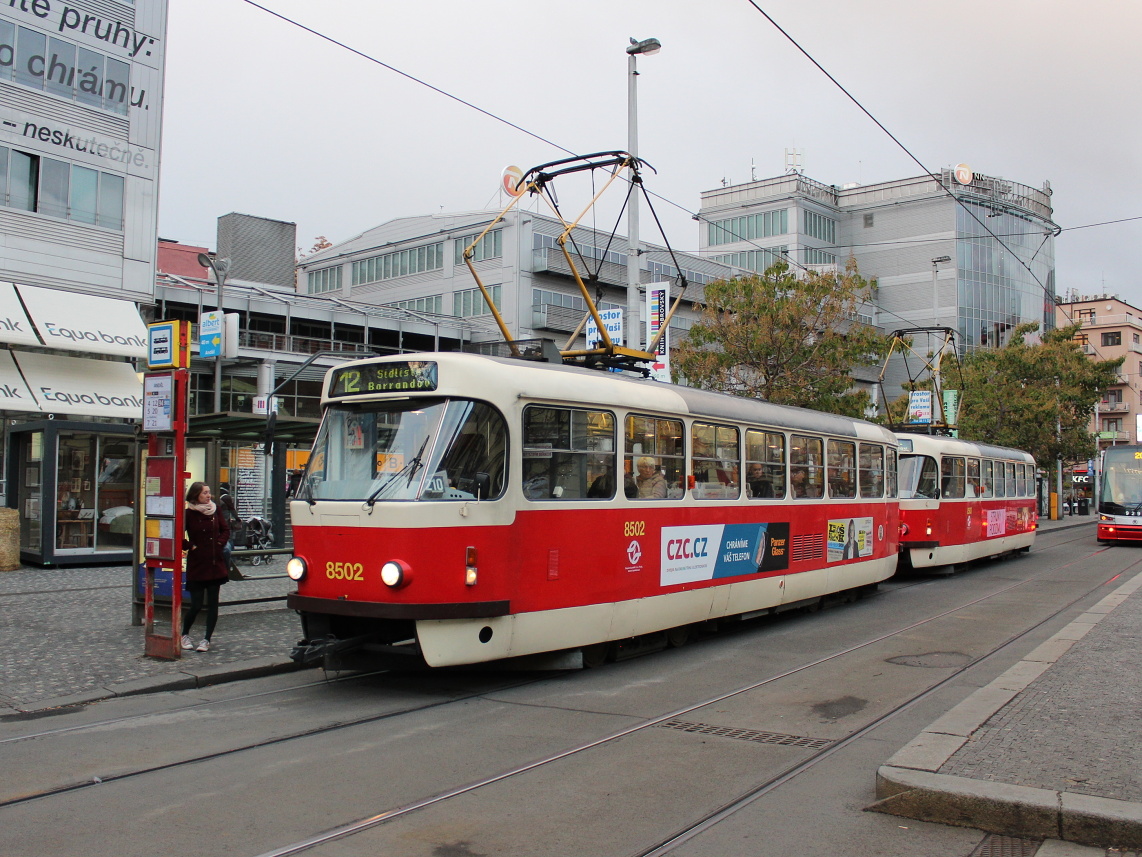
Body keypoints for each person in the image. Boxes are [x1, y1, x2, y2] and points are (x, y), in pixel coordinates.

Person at [181, 482, 230, 653]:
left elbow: (225, 530)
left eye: (209, 492)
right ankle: (184, 634)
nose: (208, 496)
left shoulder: (215, 510)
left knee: (213, 604)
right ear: (196, 496)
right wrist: (190, 546)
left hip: (215, 563)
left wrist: (219, 543)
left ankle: (206, 639)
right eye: (204, 493)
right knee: (195, 605)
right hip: (198, 563)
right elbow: (178, 535)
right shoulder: (188, 513)